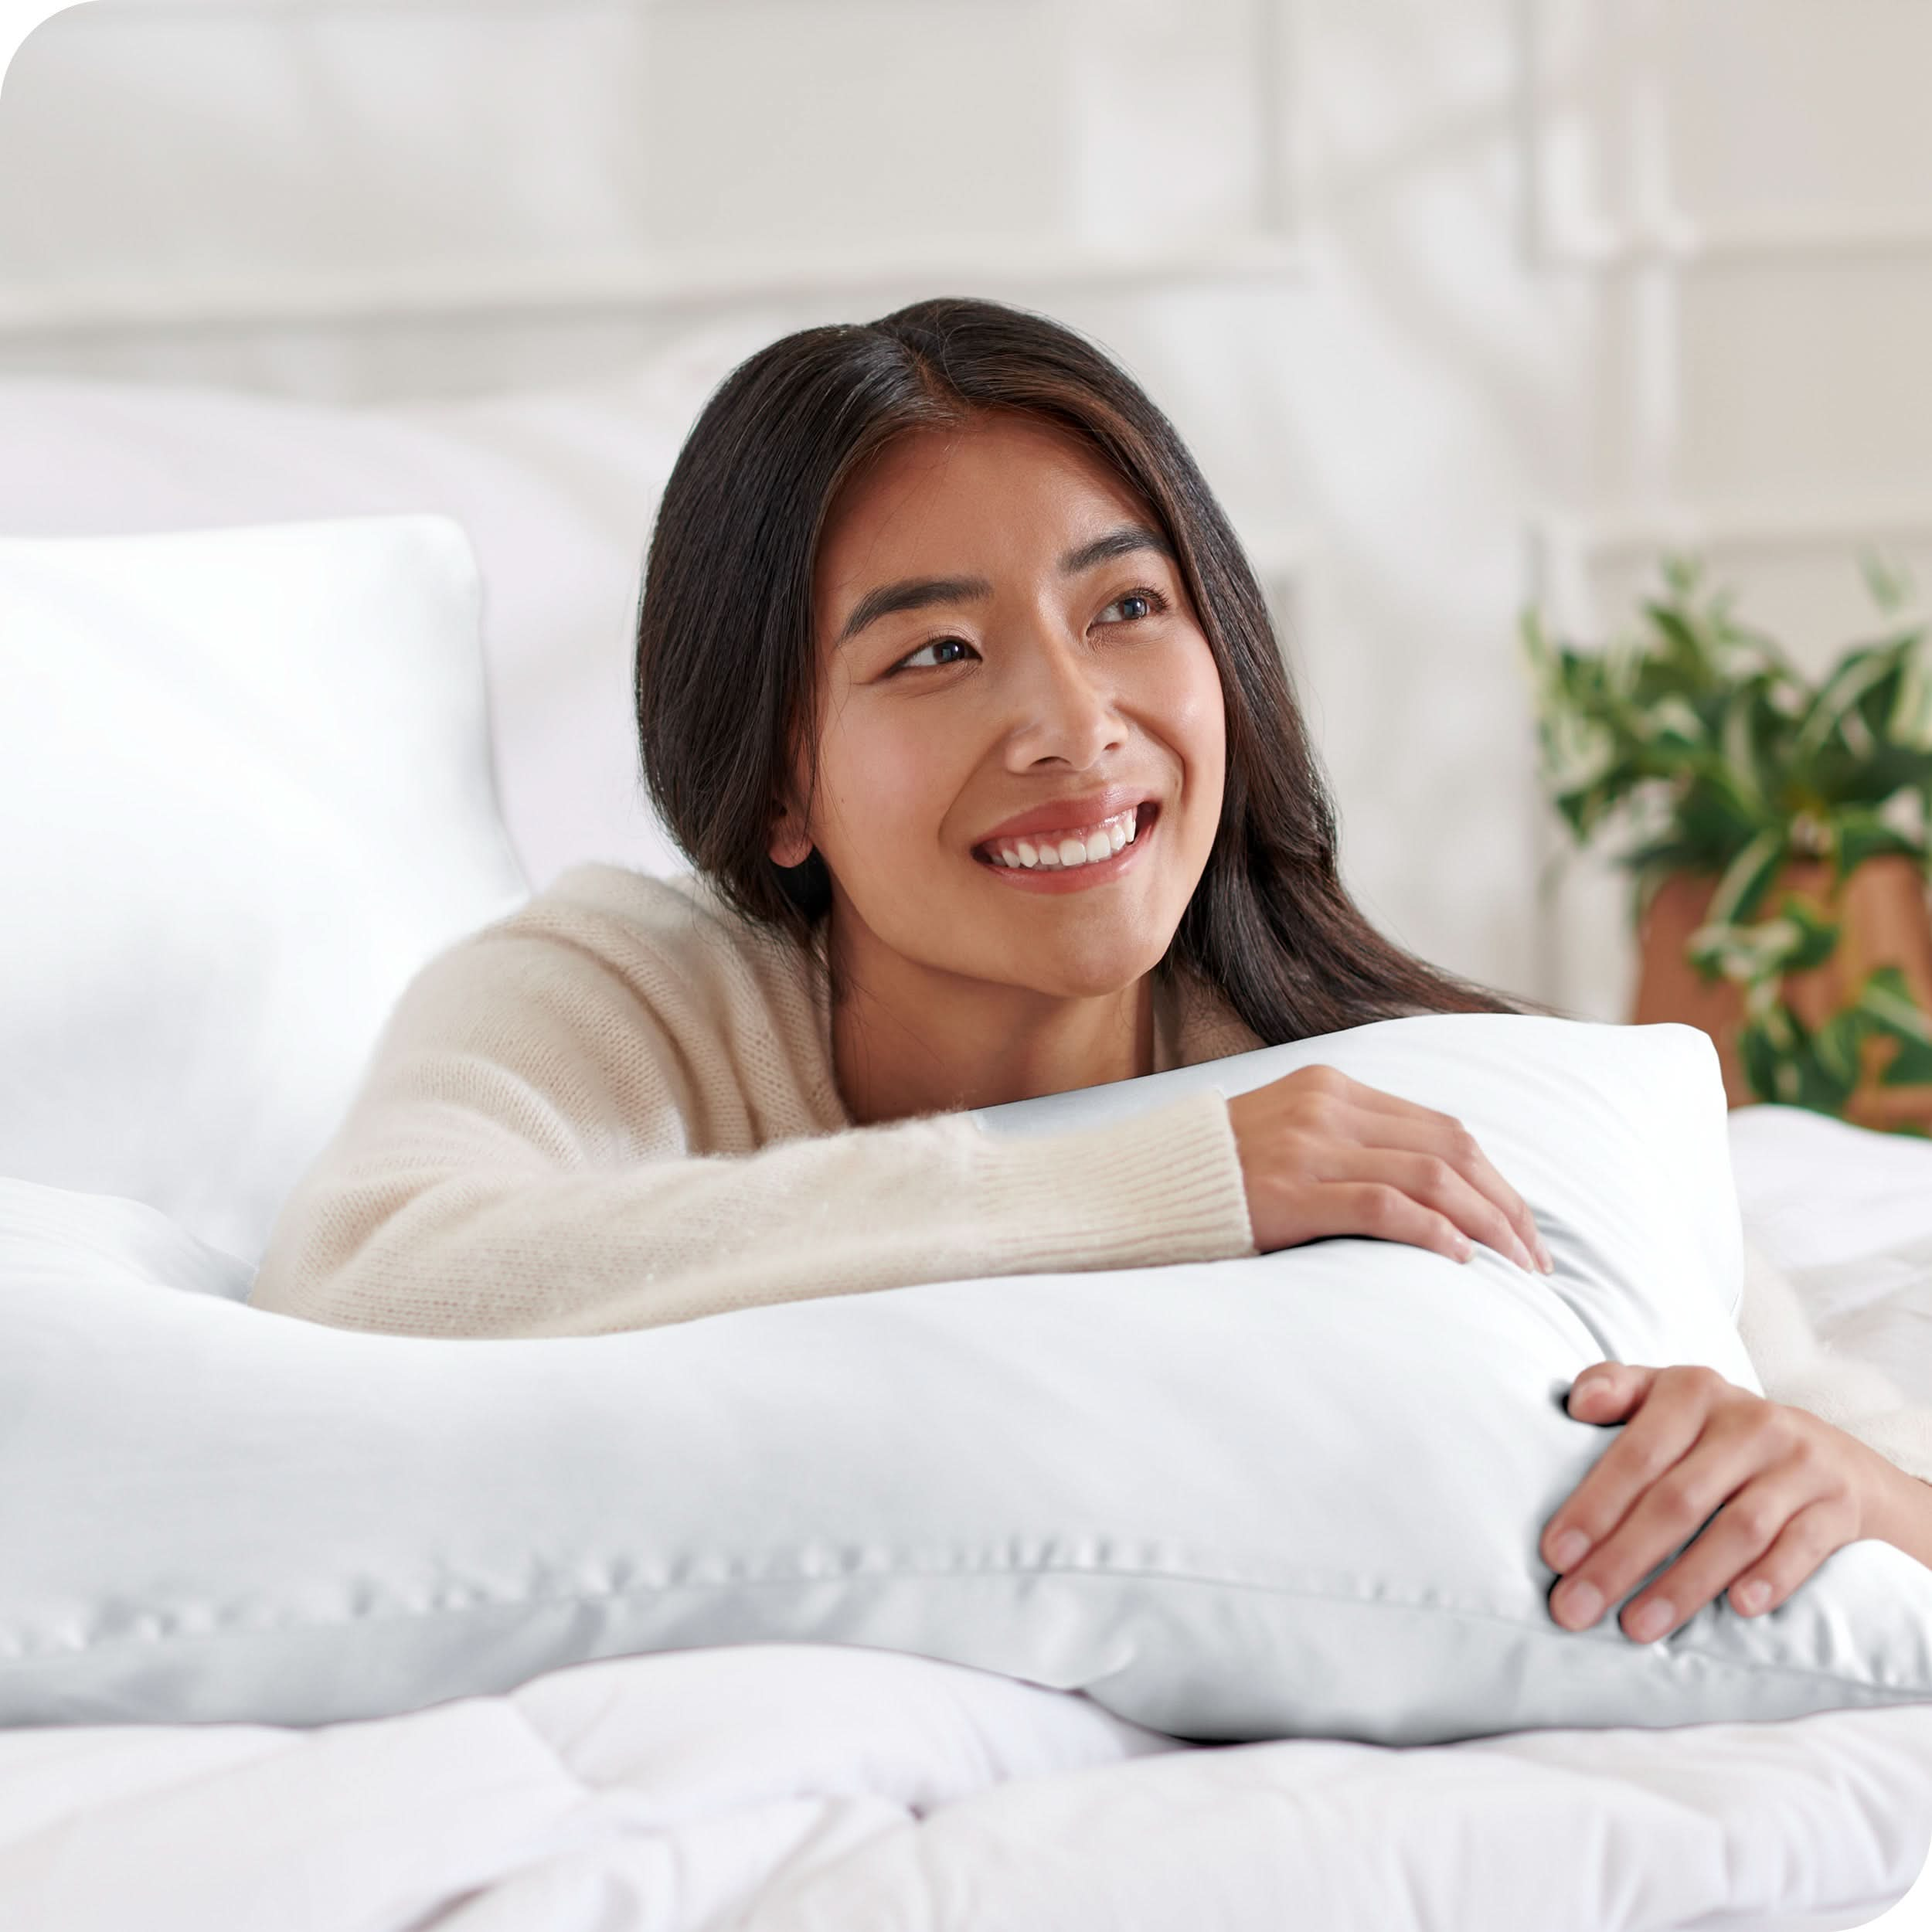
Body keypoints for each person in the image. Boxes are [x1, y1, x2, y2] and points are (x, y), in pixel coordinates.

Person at [248, 296, 1932, 1639]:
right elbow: (367, 1274)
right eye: (935, 651)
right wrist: (1153, 1187)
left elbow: (1874, 1457)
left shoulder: (1399, 1071)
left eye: (1124, 608)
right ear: (773, 783)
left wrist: (1827, 1478)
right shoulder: (626, 984)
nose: (1070, 724)